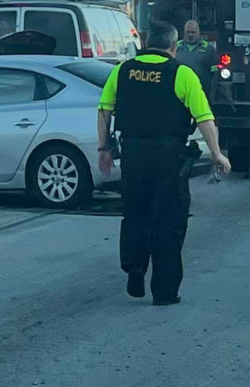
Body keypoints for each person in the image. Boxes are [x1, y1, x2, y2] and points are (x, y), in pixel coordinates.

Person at [96, 20, 230, 305]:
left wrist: (104, 148)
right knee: (169, 222)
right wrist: (217, 153)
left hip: (133, 154)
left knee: (135, 214)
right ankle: (165, 292)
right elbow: (205, 118)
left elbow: (104, 110)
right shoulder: (182, 73)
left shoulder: (122, 71)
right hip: (170, 158)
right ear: (174, 45)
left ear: (145, 43)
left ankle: (134, 266)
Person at [176, 19, 216, 85]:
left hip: (200, 87)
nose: (190, 35)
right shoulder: (176, 47)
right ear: (184, 32)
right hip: (180, 86)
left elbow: (214, 72)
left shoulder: (208, 49)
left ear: (199, 32)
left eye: (193, 32)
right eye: (188, 32)